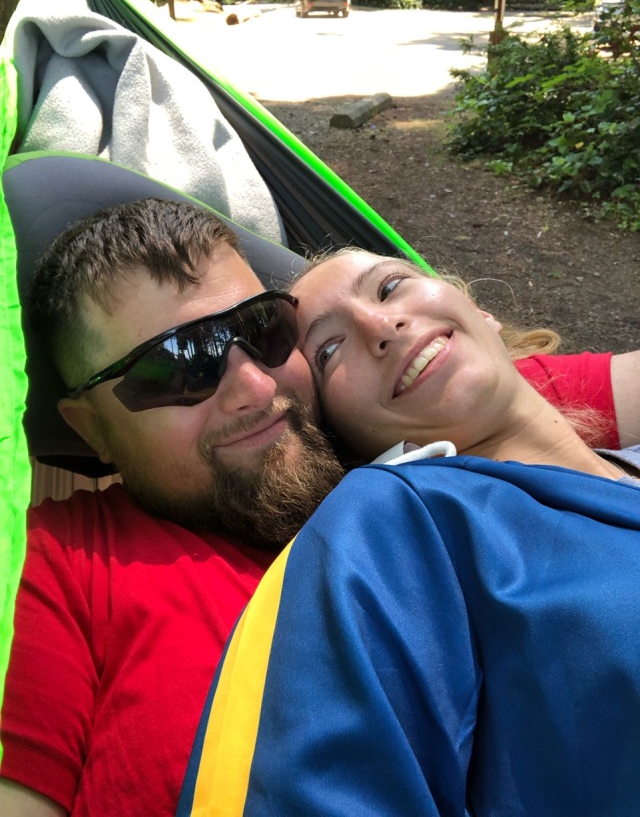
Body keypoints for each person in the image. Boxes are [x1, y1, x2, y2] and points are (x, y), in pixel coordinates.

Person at [0, 204, 637, 817]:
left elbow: (507, 389)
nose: (254, 387)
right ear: (91, 430)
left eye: (263, 331)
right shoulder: (60, 562)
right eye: (177, 367)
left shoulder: (389, 405)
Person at [177, 248, 640, 816]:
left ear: (479, 310)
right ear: (344, 430)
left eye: (391, 286)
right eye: (329, 349)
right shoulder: (384, 524)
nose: (380, 326)